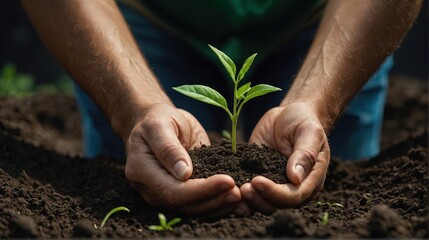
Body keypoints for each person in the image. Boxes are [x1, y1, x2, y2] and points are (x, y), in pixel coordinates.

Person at [21, 0, 422, 216]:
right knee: (136, 191)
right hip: (147, 18)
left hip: (327, 19)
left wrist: (315, 103)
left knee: (333, 202)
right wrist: (136, 108)